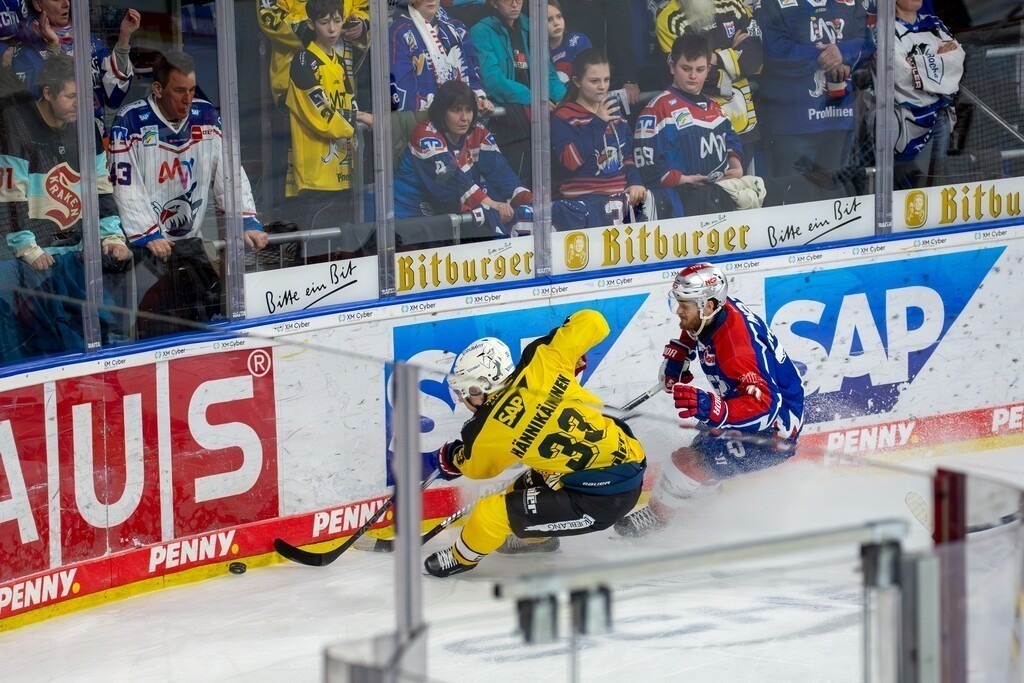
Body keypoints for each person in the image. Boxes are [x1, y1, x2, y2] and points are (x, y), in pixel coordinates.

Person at [423, 309, 648, 577]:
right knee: (520, 488)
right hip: (631, 457)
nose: (462, 398)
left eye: (465, 390)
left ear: (481, 385)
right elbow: (595, 321)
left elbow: (478, 468)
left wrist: (452, 457)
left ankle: (461, 558)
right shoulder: (543, 357)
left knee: (490, 514)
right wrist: (567, 346)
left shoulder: (485, 429)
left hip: (600, 502)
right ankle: (538, 539)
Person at [614, 262, 805, 537]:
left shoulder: (736, 353)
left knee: (686, 464)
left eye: (684, 306)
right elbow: (696, 327)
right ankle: (708, 512)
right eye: (678, 303)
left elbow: (767, 407)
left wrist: (718, 409)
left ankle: (657, 518)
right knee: (698, 458)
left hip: (772, 435)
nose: (678, 311)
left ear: (708, 305)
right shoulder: (717, 310)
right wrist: (682, 351)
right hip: (751, 408)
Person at [108, 51, 268, 337]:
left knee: (207, 310)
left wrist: (244, 219)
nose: (188, 99)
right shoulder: (130, 121)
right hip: (143, 247)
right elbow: (124, 185)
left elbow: (229, 171)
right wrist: (147, 234)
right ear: (157, 89)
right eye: (179, 91)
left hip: (188, 242)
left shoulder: (206, 116)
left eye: (192, 90)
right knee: (156, 323)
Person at [0, 54, 130, 356]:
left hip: (74, 256)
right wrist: (27, 248)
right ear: (48, 93)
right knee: (40, 346)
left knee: (95, 337)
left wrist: (111, 235)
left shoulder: (85, 127)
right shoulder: (15, 123)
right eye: (72, 96)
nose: (80, 105)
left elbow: (101, 188)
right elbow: (9, 197)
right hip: (31, 260)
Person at [634, 34, 764, 220]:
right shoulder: (656, 110)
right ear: (672, 67)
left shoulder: (715, 106)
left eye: (700, 69)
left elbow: (732, 140)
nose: (693, 76)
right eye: (686, 69)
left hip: (718, 198)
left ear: (708, 69)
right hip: (680, 205)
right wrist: (682, 180)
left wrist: (736, 166)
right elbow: (645, 165)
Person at [754, 0, 871, 205]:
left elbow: (867, 42)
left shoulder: (851, 3)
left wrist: (843, 53)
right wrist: (824, 57)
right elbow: (774, 49)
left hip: (838, 118)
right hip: (792, 124)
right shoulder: (773, 3)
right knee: (794, 201)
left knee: (834, 201)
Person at [394, 79, 532, 243]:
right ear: (441, 112)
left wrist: (527, 198)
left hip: (444, 213)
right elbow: (451, 179)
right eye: (456, 110)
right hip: (407, 215)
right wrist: (491, 204)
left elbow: (500, 171)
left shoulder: (477, 132)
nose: (464, 118)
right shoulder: (425, 134)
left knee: (496, 199)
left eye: (468, 110)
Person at [286, 0, 372, 235]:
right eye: (324, 22)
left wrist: (358, 116)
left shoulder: (339, 62)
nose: (333, 29)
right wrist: (359, 117)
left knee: (342, 246)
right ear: (311, 24)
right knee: (316, 246)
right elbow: (322, 115)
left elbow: (349, 102)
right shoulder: (303, 62)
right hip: (315, 178)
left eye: (337, 21)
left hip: (342, 174)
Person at [470, 0, 567, 185]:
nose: (515, 4)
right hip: (506, 115)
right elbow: (492, 82)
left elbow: (548, 73)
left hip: (536, 110)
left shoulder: (531, 27)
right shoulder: (481, 32)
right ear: (494, 3)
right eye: (508, 0)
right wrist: (533, 98)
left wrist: (566, 101)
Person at [550, 49, 646, 230]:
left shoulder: (613, 109)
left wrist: (635, 182)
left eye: (606, 80)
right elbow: (570, 161)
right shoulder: (564, 116)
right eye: (594, 81)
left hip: (618, 203)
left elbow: (627, 156)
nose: (602, 87)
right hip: (581, 206)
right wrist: (599, 122)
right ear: (577, 81)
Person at [655, 0, 763, 146]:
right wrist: (733, 54)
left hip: (742, 122)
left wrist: (716, 58)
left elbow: (754, 54)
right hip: (699, 127)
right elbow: (689, 74)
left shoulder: (732, 4)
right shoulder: (669, 18)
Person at [7, 0, 139, 118]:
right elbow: (38, 104)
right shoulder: (26, 48)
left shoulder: (89, 40)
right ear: (38, 4)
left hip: (92, 130)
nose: (66, 4)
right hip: (53, 134)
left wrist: (124, 38)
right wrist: (53, 48)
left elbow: (114, 97)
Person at [892, 0, 963, 188]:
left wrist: (918, 64)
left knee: (936, 181)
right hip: (905, 122)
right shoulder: (885, 31)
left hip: (940, 115)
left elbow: (958, 59)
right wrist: (938, 59)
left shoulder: (934, 23)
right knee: (906, 185)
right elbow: (900, 75)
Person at [389, 0, 494, 115]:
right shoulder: (398, 33)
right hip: (423, 118)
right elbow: (403, 90)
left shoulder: (458, 29)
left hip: (461, 116)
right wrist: (446, 108)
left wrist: (479, 98)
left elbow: (472, 74)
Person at [547, 0, 591, 85]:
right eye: (549, 20)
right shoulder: (539, 53)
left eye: (559, 17)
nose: (556, 23)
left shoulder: (578, 40)